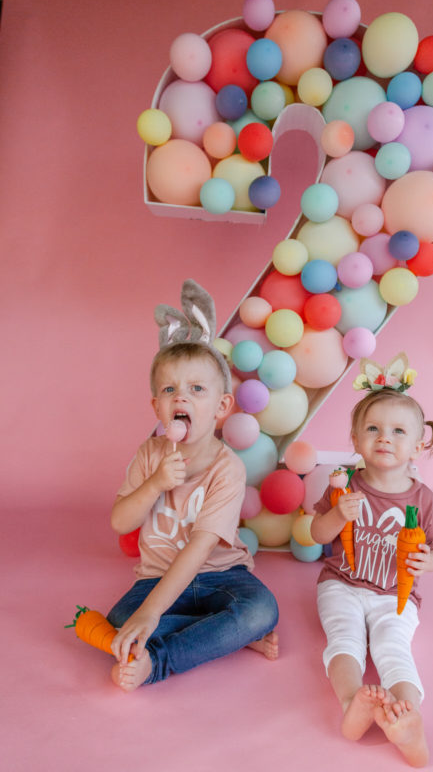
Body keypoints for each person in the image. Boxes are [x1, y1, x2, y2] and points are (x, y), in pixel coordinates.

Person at [107, 280, 279, 691]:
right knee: (119, 621)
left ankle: (160, 662)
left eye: (196, 389)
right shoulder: (150, 454)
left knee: (261, 611)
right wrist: (154, 484)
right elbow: (119, 521)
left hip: (223, 576)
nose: (181, 397)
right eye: (169, 390)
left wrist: (151, 618)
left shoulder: (228, 469)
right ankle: (223, 638)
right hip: (157, 577)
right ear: (157, 407)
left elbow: (201, 547)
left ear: (221, 408)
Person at [311, 385, 433, 768]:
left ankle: (410, 719)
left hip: (395, 596)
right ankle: (351, 702)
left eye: (399, 431)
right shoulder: (345, 486)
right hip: (341, 583)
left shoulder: (424, 501)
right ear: (355, 439)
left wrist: (426, 562)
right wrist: (338, 515)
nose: (385, 437)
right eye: (373, 429)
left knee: (392, 647)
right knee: (345, 637)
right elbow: (317, 535)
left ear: (418, 447)